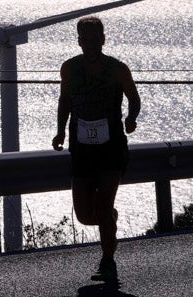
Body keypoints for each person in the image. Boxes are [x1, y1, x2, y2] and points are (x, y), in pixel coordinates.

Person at [51, 15, 140, 282]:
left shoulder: (118, 69)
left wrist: (131, 118)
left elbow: (134, 99)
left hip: (111, 147)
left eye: (94, 39)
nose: (89, 45)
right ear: (79, 41)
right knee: (84, 214)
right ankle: (109, 219)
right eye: (84, 39)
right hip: (81, 148)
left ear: (103, 39)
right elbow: (64, 100)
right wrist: (60, 131)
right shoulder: (69, 68)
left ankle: (108, 261)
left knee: (101, 208)